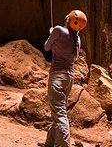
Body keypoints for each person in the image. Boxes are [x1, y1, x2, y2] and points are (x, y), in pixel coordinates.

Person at [42, 10, 87, 147]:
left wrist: (53, 34)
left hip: (57, 76)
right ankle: (50, 143)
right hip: (69, 78)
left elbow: (46, 47)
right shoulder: (77, 39)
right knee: (59, 111)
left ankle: (62, 145)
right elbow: (75, 57)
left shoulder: (58, 30)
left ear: (71, 20)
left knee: (59, 114)